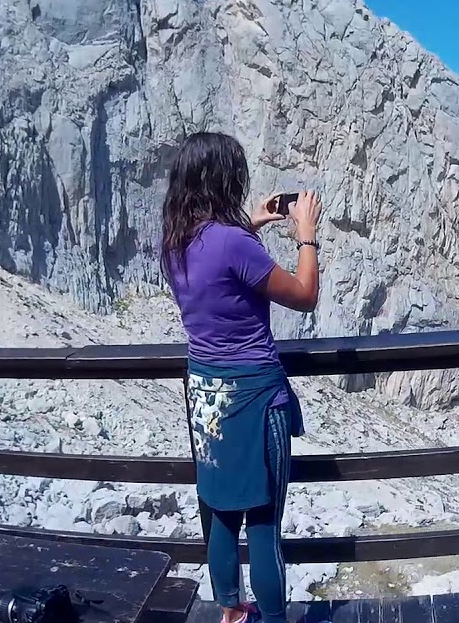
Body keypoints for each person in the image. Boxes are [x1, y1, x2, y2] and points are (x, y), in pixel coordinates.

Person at [160, 132, 321, 623]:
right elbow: (304, 295)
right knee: (265, 524)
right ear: (224, 181)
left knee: (222, 513)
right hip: (253, 397)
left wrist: (254, 220)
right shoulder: (234, 243)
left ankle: (230, 611)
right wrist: (306, 234)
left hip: (206, 396)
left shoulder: (175, 241)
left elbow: (219, 261)